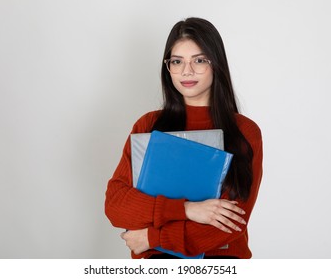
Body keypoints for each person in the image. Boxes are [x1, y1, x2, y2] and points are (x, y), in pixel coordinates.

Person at [105, 17, 263, 259]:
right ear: (167, 67)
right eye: (177, 61)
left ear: (216, 64)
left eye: (199, 60)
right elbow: (116, 206)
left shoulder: (244, 131)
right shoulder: (148, 125)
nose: (186, 71)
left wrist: (152, 237)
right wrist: (188, 209)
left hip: (220, 260)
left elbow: (231, 222)